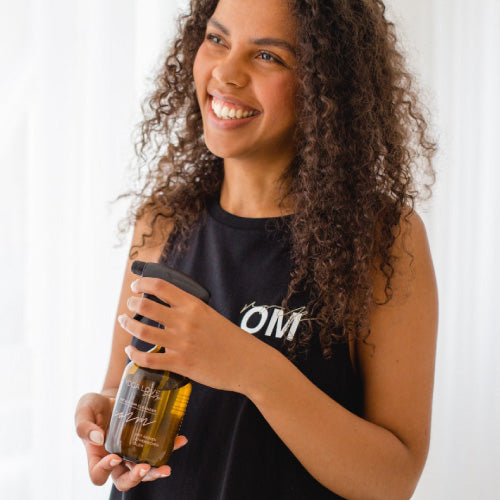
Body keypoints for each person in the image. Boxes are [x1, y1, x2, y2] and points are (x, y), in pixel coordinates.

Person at [75, 0, 438, 498]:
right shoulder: (160, 224)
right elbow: (123, 386)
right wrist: (104, 417)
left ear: (326, 83)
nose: (226, 72)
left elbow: (393, 480)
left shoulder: (382, 239)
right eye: (217, 40)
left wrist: (250, 367)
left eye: (268, 56)